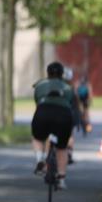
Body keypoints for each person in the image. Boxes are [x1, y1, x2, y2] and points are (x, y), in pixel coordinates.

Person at [31, 61, 75, 189]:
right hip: (63, 115)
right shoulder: (68, 87)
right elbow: (71, 103)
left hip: (43, 113)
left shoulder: (39, 85)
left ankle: (40, 158)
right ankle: (61, 179)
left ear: (48, 73)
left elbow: (37, 101)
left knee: (37, 137)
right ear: (62, 74)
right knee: (62, 147)